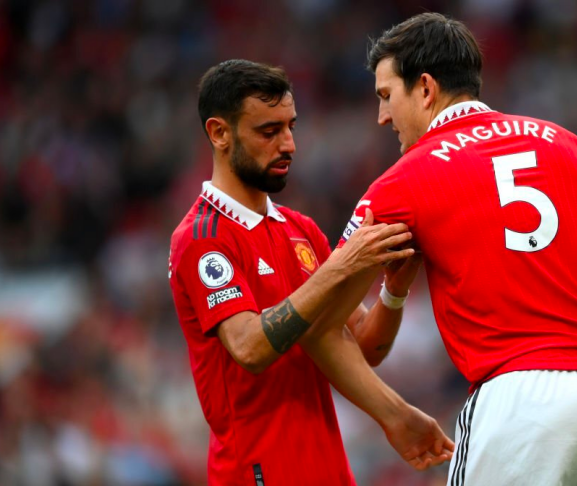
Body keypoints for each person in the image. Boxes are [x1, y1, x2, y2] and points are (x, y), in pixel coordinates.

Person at [339, 13, 577, 486]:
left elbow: (337, 328)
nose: (382, 116)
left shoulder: (400, 183)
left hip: (523, 400)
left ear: (425, 89)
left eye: (385, 96)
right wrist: (560, 316)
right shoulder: (566, 143)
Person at [168, 59, 453, 485]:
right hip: (256, 470)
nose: (288, 145)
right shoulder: (203, 238)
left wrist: (393, 292)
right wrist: (340, 267)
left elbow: (364, 347)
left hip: (328, 467)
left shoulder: (300, 231)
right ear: (219, 133)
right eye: (269, 131)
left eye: (290, 127)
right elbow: (249, 348)